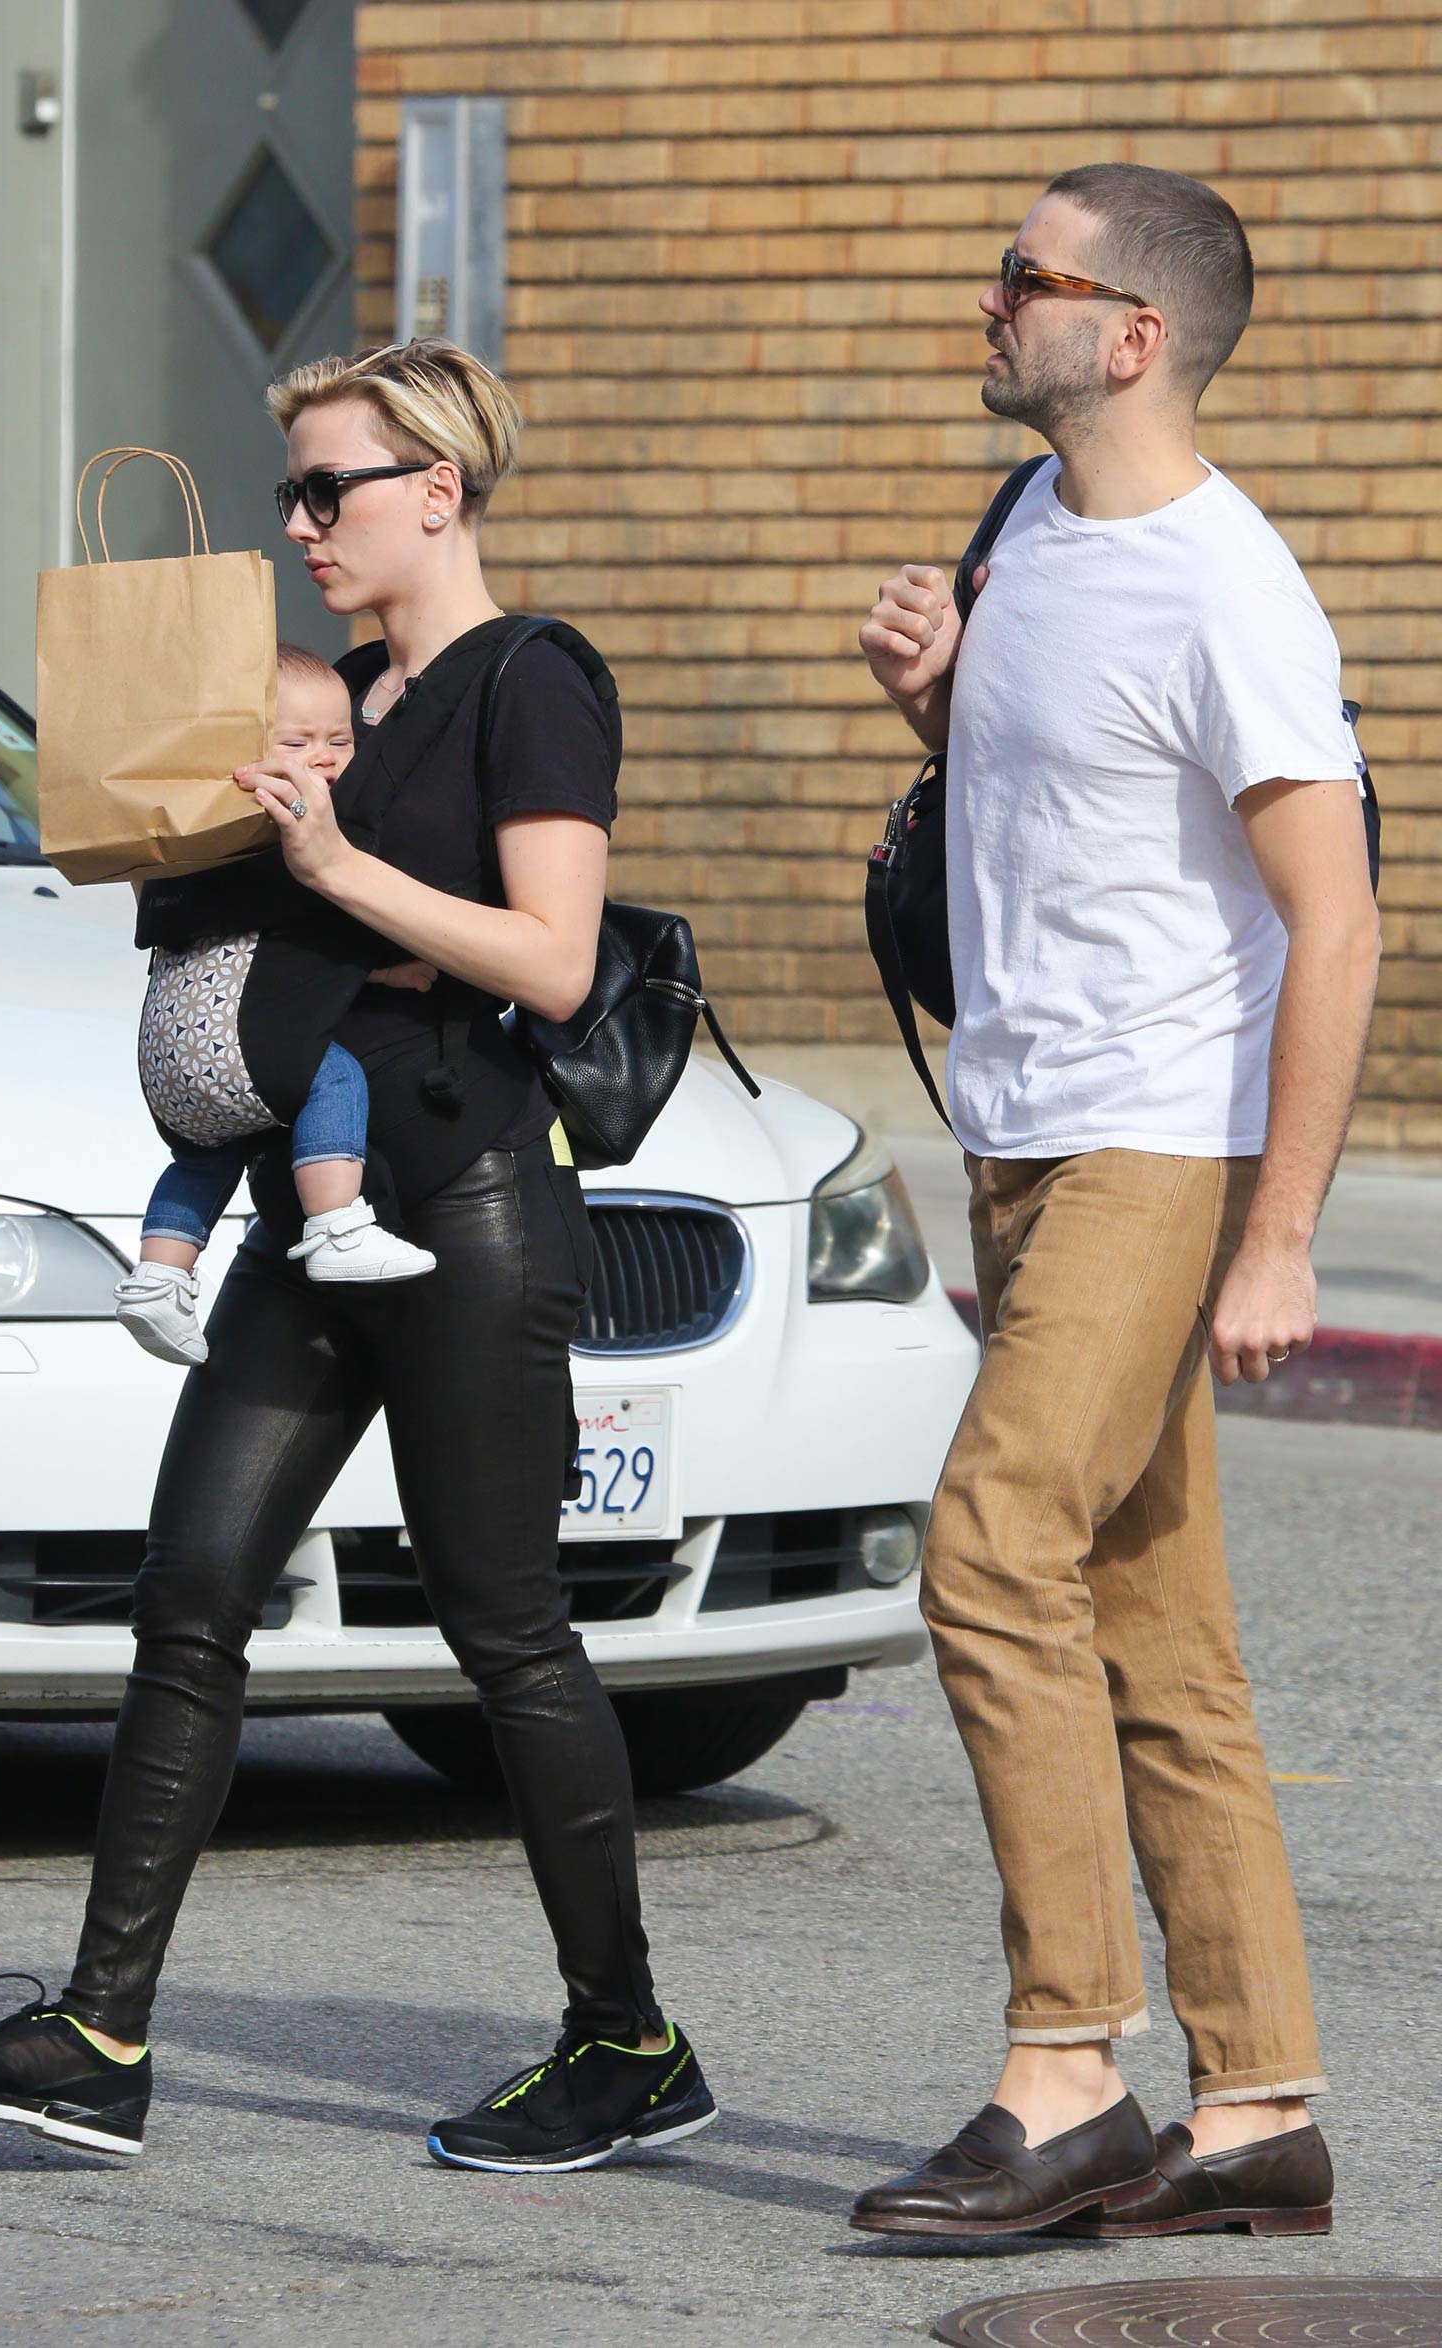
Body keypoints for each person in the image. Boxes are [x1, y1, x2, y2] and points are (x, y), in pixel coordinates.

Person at [0, 338, 716, 2175]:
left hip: (473, 1208)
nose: (303, 523)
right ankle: (97, 2036)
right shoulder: (344, 704)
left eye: (330, 489)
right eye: (292, 494)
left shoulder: (528, 682)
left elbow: (555, 961)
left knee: (502, 1625)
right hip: (306, 1213)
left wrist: (336, 872)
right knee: (193, 1594)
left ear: (440, 487)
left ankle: (625, 2036)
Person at [850, 164, 1376, 2241]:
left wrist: (1277, 1231)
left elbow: (1327, 925)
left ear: (1129, 332)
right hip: (1019, 1121)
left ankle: (1063, 2067)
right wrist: (933, 695)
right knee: (1154, 1629)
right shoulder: (1026, 532)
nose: (988, 303)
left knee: (985, 1550)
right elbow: (1051, 806)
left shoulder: (1228, 587)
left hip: (1161, 1139)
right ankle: (1253, 2104)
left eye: (1024, 279)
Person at [114, 642, 436, 1372]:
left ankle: (158, 1277)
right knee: (333, 1077)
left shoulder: (190, 848)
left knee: (204, 1158)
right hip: (244, 1048)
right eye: (295, 742)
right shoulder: (285, 837)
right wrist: (397, 960)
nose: (322, 758)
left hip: (168, 1061)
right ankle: (336, 1228)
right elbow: (332, 927)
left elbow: (284, 955)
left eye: (340, 740)